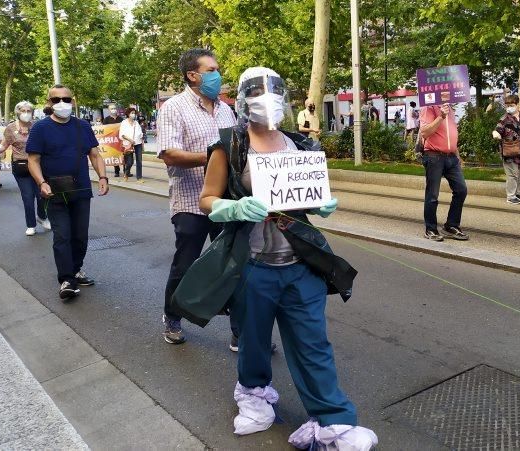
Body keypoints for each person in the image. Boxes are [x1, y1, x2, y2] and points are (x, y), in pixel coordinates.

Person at [198, 66, 377, 451]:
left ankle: (334, 420)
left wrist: (322, 205)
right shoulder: (229, 145)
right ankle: (253, 393)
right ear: (244, 99)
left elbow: (308, 198)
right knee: (253, 339)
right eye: (258, 91)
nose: (268, 98)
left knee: (313, 344)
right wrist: (233, 208)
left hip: (300, 267)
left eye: (275, 90)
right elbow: (207, 200)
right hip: (252, 265)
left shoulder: (300, 146)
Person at [157, 48, 237, 345]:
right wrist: (213, 158)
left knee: (232, 264)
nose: (218, 75)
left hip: (223, 201)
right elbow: (169, 154)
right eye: (212, 70)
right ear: (193, 75)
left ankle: (240, 330)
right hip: (190, 201)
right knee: (186, 264)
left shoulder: (226, 109)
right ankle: (172, 316)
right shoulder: (174, 108)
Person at [26, 84, 110, 300]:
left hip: (80, 190)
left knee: (80, 236)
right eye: (56, 100)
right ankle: (66, 280)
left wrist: (102, 177)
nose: (62, 103)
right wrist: (41, 182)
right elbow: (33, 161)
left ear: (72, 101)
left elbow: (94, 154)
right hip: (53, 192)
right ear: (49, 103)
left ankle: (75, 270)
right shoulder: (40, 128)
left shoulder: (82, 126)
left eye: (66, 99)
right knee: (62, 236)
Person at [0, 101, 51, 236]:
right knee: (28, 196)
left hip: (38, 165)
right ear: (17, 112)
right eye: (23, 111)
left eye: (28, 111)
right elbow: (5, 143)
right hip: (21, 166)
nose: (26, 113)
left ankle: (42, 217)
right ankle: (30, 225)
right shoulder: (10, 128)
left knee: (42, 195)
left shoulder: (37, 126)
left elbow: (47, 142)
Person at [419, 103, 468, 242]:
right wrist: (441, 116)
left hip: (451, 157)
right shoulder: (429, 107)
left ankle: (451, 225)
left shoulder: (450, 107)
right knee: (432, 195)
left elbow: (450, 135)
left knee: (461, 190)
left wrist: (457, 155)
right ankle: (430, 229)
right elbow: (425, 132)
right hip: (434, 156)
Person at [119, 107, 144, 182]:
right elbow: (122, 135)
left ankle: (139, 177)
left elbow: (140, 133)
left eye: (134, 113)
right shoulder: (124, 122)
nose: (133, 115)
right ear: (128, 114)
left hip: (138, 143)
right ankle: (126, 173)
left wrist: (141, 140)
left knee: (139, 160)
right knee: (129, 162)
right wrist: (130, 140)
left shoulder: (136, 123)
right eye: (132, 113)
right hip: (128, 144)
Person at [102, 103, 124, 177]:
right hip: (112, 141)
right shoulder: (106, 120)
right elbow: (104, 130)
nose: (113, 110)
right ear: (109, 110)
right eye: (112, 108)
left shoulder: (121, 119)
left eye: (114, 108)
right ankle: (116, 171)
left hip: (121, 140)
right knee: (115, 155)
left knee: (123, 155)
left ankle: (126, 171)